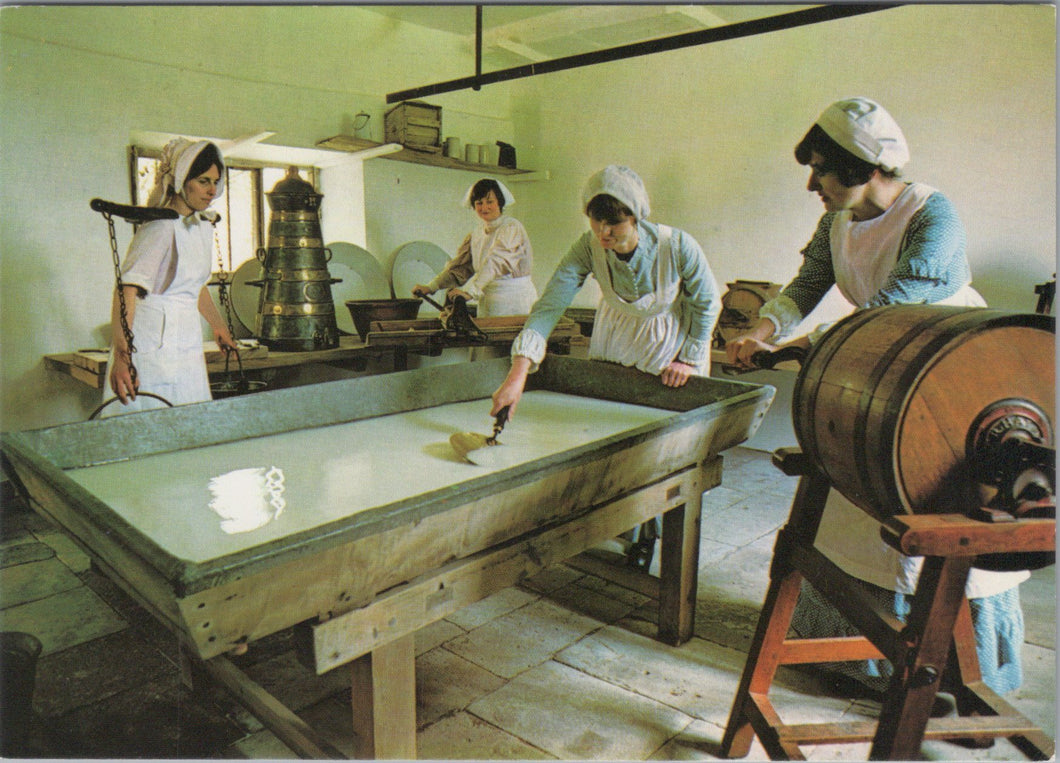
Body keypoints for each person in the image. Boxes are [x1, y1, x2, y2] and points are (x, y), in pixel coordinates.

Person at [726, 97, 1028, 701]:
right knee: (858, 500)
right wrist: (763, 329)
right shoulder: (836, 220)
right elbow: (809, 282)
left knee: (932, 504)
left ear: (860, 165)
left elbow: (895, 307)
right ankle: (857, 656)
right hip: (875, 357)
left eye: (820, 170)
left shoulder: (932, 214)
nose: (812, 183)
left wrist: (807, 345)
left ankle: (952, 673)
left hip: (943, 366)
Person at [492, 164, 721, 419]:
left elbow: (707, 303)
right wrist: (517, 375)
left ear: (635, 216)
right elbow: (549, 306)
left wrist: (687, 361)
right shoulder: (588, 248)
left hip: (670, 358)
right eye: (595, 220)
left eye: (614, 222)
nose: (603, 232)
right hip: (615, 348)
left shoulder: (677, 246)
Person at [103, 138, 238, 416]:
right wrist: (122, 356)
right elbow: (126, 291)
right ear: (181, 180)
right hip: (151, 349)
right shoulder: (159, 228)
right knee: (148, 426)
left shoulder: (200, 226)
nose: (212, 190)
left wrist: (218, 325)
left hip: (187, 345)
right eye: (203, 181)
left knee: (189, 423)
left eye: (215, 181)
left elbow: (193, 285)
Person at [413, 177, 538, 325]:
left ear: (500, 202)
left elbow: (495, 262)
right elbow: (460, 268)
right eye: (479, 203)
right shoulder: (477, 234)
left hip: (516, 302)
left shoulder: (511, 228)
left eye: (489, 201)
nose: (484, 207)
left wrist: (470, 293)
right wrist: (431, 287)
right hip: (489, 302)